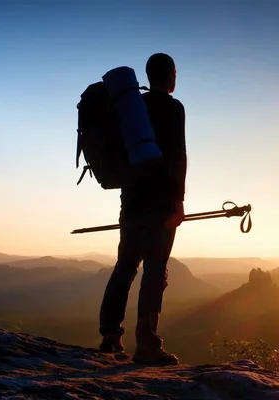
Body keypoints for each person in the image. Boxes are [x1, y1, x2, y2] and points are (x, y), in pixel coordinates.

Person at [98, 53, 187, 364]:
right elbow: (178, 157)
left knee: (125, 267)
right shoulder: (173, 108)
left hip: (131, 202)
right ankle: (147, 343)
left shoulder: (132, 109)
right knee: (153, 273)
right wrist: (179, 202)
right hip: (161, 204)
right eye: (175, 72)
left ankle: (110, 335)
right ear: (170, 75)